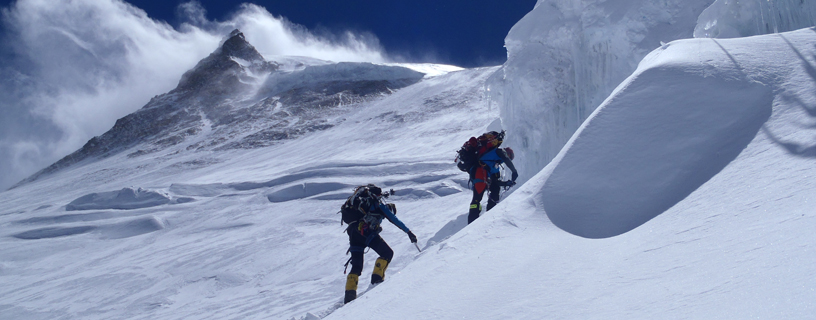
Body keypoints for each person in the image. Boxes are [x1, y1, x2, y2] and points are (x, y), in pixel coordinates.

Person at [342, 184, 417, 304]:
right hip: (366, 233)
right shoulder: (379, 206)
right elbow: (394, 219)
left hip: (353, 234)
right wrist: (409, 232)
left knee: (356, 266)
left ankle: (349, 296)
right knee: (387, 253)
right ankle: (376, 281)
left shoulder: (361, 204)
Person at [468, 147, 518, 224]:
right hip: (478, 171)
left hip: (482, 174)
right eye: (509, 156)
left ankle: (490, 213)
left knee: (495, 189)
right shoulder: (499, 151)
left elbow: (495, 182)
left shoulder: (496, 166)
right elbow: (505, 158)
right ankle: (472, 221)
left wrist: (506, 183)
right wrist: (514, 171)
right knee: (477, 198)